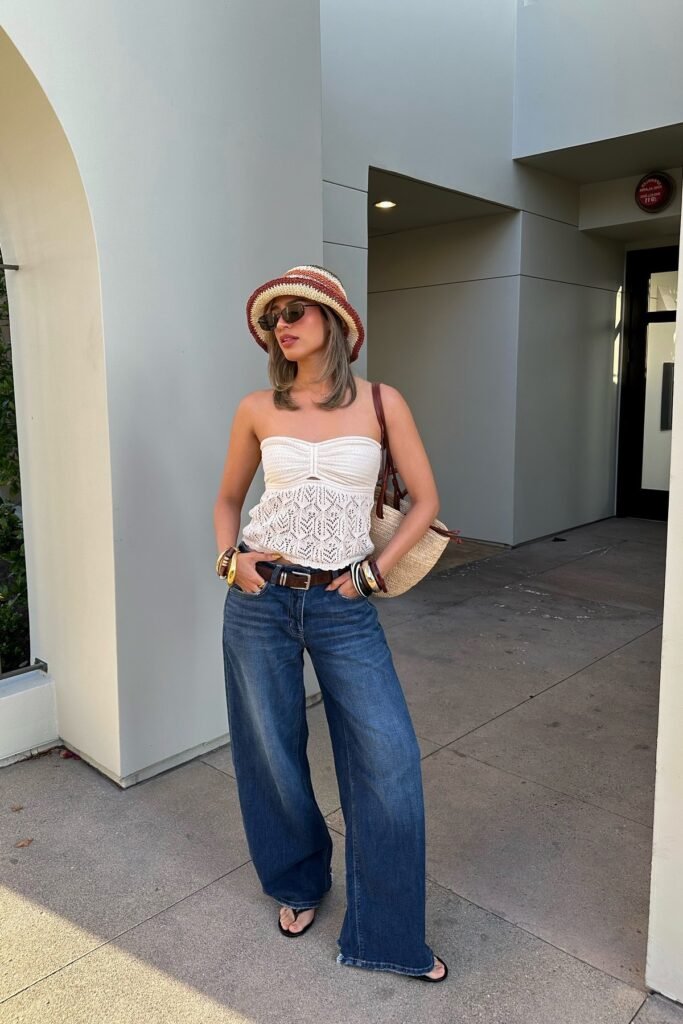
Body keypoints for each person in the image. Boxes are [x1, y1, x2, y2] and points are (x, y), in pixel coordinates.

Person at [213, 265, 448, 982]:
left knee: (388, 758)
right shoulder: (257, 406)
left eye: (296, 312)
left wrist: (373, 575)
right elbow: (227, 498)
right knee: (270, 749)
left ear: (335, 325)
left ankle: (384, 932)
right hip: (260, 599)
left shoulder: (381, 402)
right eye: (274, 316)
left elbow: (426, 497)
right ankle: (296, 879)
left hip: (343, 604)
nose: (282, 324)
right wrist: (231, 560)